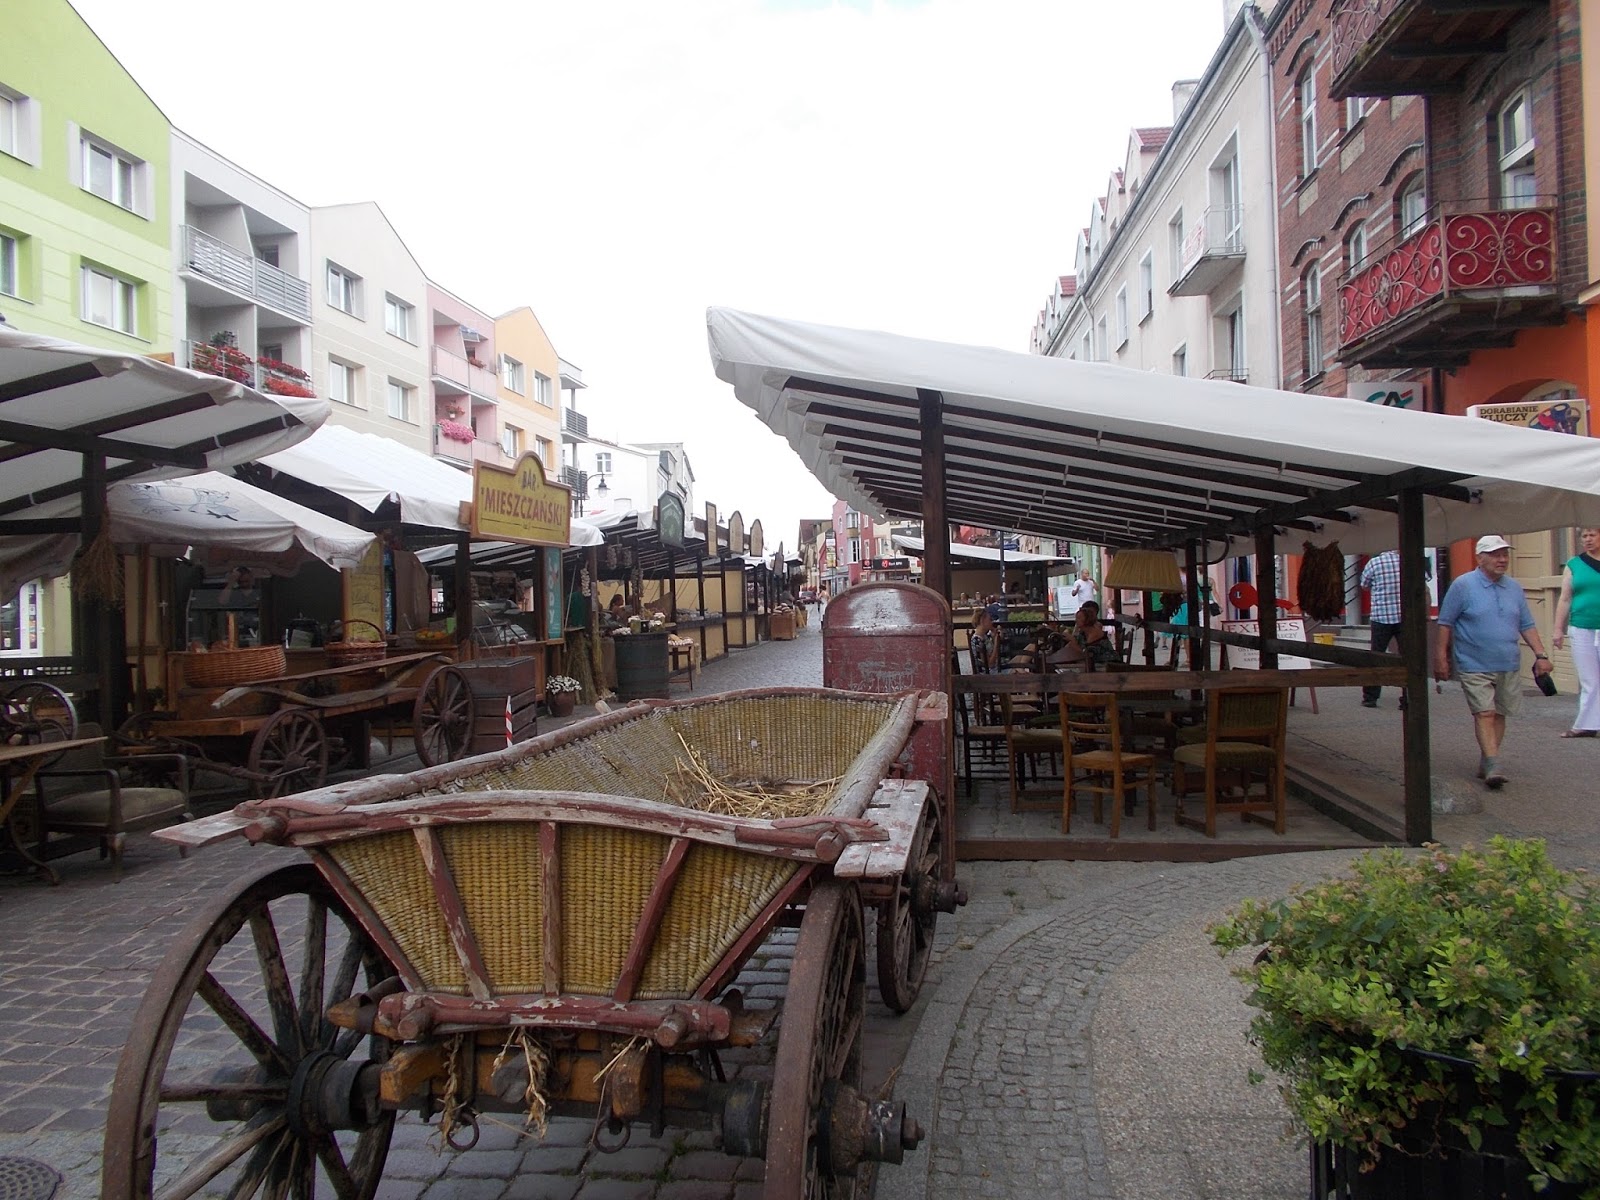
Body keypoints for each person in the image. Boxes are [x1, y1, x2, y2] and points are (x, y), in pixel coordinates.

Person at [1434, 534, 1553, 789]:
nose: (1502, 560)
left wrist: (1541, 655)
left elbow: (1526, 624)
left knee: (1499, 714)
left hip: (1507, 662)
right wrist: (1441, 657)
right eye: (1495, 555)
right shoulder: (1463, 585)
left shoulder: (1514, 588)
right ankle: (1492, 763)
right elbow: (1445, 623)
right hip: (1473, 663)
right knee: (1484, 712)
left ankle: (1488, 759)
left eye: (1504, 555)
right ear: (1480, 558)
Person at [1553, 527, 1600, 738]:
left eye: (1592, 535)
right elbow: (1565, 598)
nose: (1588, 539)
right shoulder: (1574, 564)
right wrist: (1558, 629)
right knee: (1589, 678)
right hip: (1581, 626)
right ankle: (1586, 724)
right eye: (1584, 536)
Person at [1359, 549, 1402, 708]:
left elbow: (1364, 585)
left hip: (1380, 616)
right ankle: (1409, 696)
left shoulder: (1374, 563)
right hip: (1404, 616)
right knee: (1408, 657)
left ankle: (1370, 697)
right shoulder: (1406, 562)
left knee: (1376, 656)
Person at [1072, 601, 1119, 667]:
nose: (1076, 620)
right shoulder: (1084, 632)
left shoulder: (1094, 632)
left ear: (1087, 619)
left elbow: (1086, 655)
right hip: (1097, 664)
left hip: (1109, 665)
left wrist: (1073, 641)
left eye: (1079, 618)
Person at [970, 607, 999, 672]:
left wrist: (994, 637)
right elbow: (990, 664)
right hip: (989, 673)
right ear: (982, 621)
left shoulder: (984, 636)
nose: (991, 622)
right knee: (1018, 669)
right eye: (990, 619)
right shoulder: (977, 640)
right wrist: (996, 644)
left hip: (996, 668)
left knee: (1020, 658)